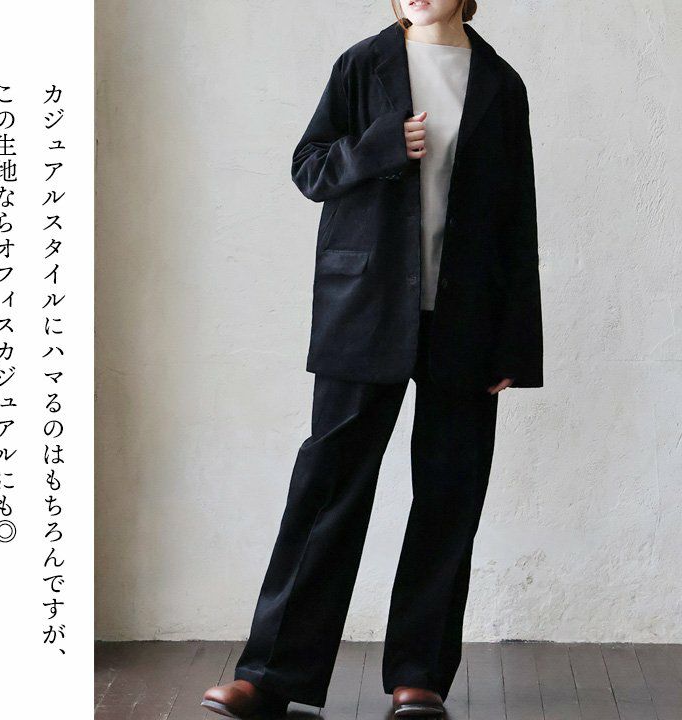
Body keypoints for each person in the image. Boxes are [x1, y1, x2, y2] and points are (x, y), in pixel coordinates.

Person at [202, 0, 543, 716]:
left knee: (449, 496)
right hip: (364, 307)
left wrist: (516, 342)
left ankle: (420, 675)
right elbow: (309, 168)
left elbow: (518, 217)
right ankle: (270, 675)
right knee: (327, 486)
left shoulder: (501, 84)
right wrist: (379, 145)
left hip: (467, 321)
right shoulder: (363, 65)